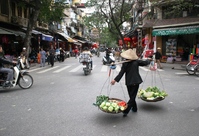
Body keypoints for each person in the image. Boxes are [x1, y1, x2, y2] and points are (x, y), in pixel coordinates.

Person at [110, 48, 151, 117]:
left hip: (129, 82)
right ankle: (134, 108)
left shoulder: (125, 64)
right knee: (132, 97)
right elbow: (145, 63)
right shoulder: (136, 62)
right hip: (136, 81)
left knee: (132, 96)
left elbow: (121, 73)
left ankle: (127, 110)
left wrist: (115, 80)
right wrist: (148, 60)